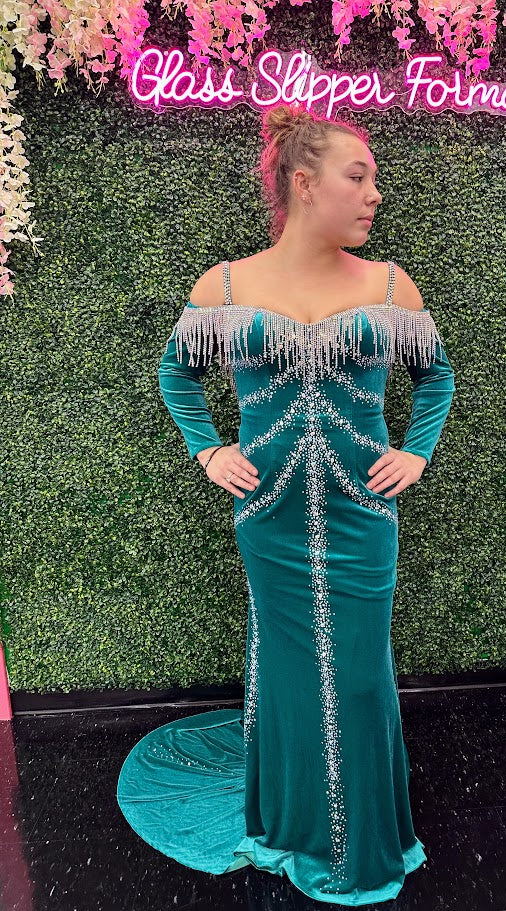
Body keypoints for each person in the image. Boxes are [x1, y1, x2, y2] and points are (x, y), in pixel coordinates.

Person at [116, 102, 455, 905]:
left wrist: (415, 451)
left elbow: (434, 375)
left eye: (372, 179)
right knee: (290, 668)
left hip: (363, 512)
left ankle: (361, 840)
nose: (374, 194)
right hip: (266, 514)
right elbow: (176, 373)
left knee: (361, 676)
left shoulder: (388, 284)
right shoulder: (227, 285)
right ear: (304, 184)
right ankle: (289, 824)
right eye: (357, 177)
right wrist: (209, 449)